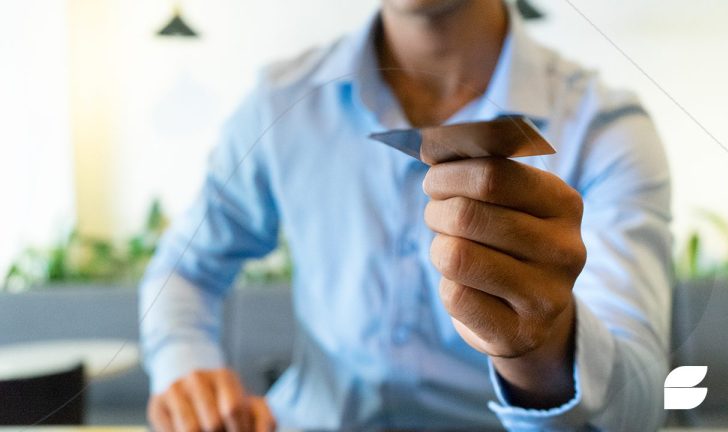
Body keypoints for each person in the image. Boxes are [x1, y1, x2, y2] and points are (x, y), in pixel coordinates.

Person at [140, 0, 672, 430]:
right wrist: (186, 368)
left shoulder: (604, 129)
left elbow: (642, 406)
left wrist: (545, 350)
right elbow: (184, 270)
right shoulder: (278, 103)